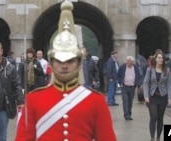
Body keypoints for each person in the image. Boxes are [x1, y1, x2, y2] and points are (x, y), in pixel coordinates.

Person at [15, 1, 116, 141]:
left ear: (79, 62)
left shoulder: (96, 101)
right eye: (59, 61)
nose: (64, 66)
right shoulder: (33, 99)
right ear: (51, 62)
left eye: (70, 61)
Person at [143, 51, 171, 141]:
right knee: (153, 117)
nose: (161, 60)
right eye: (159, 58)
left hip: (163, 97)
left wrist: (170, 98)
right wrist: (146, 96)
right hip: (153, 96)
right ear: (156, 59)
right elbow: (146, 83)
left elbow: (168, 85)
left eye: (162, 58)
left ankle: (158, 137)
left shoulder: (167, 70)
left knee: (160, 118)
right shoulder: (150, 70)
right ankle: (152, 137)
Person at [117, 56, 141, 120]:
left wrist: (137, 85)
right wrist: (120, 83)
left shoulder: (135, 67)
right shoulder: (122, 67)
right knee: (125, 101)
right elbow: (118, 75)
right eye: (127, 61)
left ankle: (129, 114)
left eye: (129, 61)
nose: (127, 62)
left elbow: (138, 76)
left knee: (130, 101)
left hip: (132, 87)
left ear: (132, 62)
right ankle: (126, 115)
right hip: (124, 86)